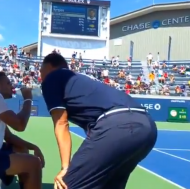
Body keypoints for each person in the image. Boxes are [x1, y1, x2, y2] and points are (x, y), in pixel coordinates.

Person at [40, 53, 157, 189]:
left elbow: (61, 123)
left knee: (67, 185)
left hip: (118, 124)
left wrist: (65, 168)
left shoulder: (51, 78)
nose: (40, 75)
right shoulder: (82, 80)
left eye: (41, 71)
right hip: (148, 127)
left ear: (49, 66)